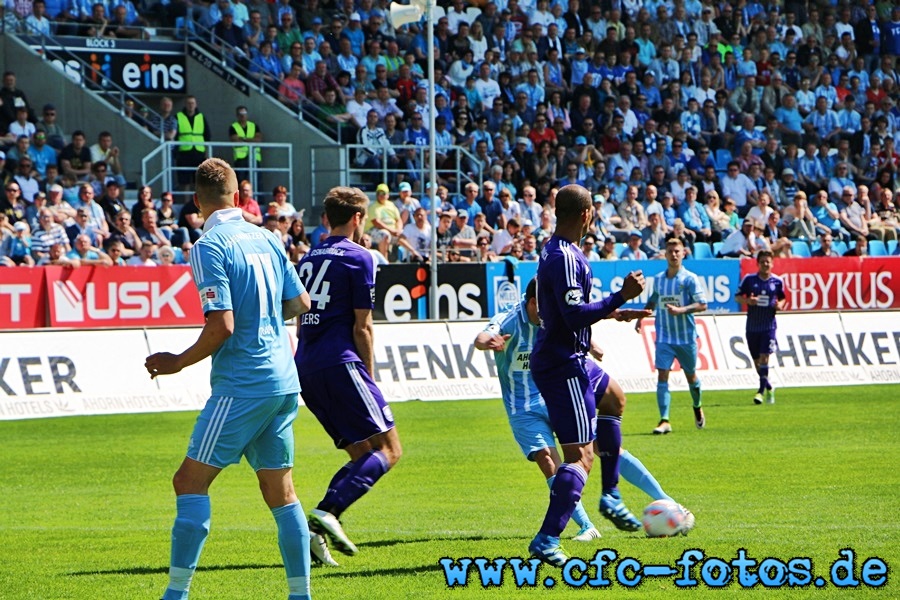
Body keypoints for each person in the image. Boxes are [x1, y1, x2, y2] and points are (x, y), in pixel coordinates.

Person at [144, 158, 313, 600]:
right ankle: (301, 595)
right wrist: (268, 322)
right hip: (282, 380)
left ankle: (175, 595)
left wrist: (177, 362)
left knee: (188, 482)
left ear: (197, 203)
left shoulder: (209, 245)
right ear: (239, 197)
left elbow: (222, 326)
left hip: (244, 383)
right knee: (280, 489)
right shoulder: (269, 238)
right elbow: (300, 302)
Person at [475, 279, 693, 544]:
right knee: (548, 460)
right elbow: (481, 337)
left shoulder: (550, 310)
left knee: (603, 448)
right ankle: (586, 526)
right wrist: (489, 341)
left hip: (558, 392)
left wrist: (593, 341)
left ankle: (669, 502)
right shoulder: (508, 320)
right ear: (532, 303)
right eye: (545, 310)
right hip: (522, 407)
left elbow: (576, 319)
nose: (550, 315)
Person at [528, 184, 649, 565]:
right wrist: (620, 297)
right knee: (580, 457)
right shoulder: (564, 258)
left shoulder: (560, 250)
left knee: (614, 396)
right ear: (587, 214)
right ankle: (547, 539)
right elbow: (573, 315)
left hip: (571, 355)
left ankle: (610, 494)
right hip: (563, 363)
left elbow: (567, 309)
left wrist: (615, 313)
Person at [294, 186, 402, 566]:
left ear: (327, 218)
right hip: (341, 362)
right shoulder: (360, 257)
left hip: (305, 364)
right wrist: (368, 376)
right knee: (390, 449)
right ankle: (327, 511)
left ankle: (315, 533)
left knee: (361, 454)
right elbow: (363, 326)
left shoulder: (308, 257)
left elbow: (297, 318)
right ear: (358, 218)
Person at [637, 238, 709, 435]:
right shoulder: (659, 279)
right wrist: (641, 317)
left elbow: (702, 304)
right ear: (665, 254)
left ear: (683, 253)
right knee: (662, 374)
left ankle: (697, 405)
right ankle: (664, 419)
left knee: (691, 376)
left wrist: (682, 309)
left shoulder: (689, 279)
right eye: (670, 251)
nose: (674, 254)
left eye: (677, 251)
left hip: (685, 337)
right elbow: (653, 300)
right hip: (664, 337)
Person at [736, 250, 786, 406]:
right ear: (757, 263)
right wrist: (748, 301)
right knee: (757, 362)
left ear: (772, 264)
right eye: (762, 262)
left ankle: (760, 392)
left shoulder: (777, 282)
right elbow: (737, 296)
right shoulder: (749, 280)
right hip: (752, 326)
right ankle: (769, 387)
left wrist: (780, 305)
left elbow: (783, 298)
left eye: (768, 262)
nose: (765, 264)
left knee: (765, 358)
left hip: (768, 326)